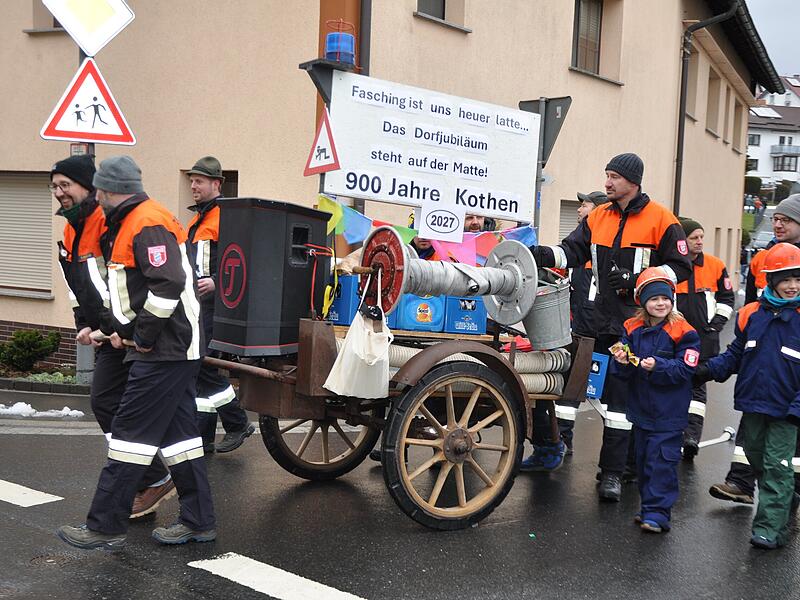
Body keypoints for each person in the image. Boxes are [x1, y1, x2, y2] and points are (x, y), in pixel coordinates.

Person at [57, 155, 216, 549]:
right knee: (180, 438)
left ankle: (104, 524)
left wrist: (142, 337)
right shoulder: (133, 220)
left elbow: (166, 286)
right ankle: (199, 520)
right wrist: (112, 330)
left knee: (130, 434)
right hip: (168, 345)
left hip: (166, 347)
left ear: (109, 190)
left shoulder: (145, 221)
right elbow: (132, 290)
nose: (96, 196)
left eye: (98, 189)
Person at [528, 153, 692, 501]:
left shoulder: (662, 219)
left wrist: (638, 280)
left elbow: (681, 267)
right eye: (606, 175)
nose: (607, 183)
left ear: (633, 181)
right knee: (572, 390)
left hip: (636, 327)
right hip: (595, 321)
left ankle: (613, 475)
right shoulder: (599, 215)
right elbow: (571, 252)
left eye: (614, 177)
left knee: (620, 406)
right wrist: (542, 254)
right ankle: (557, 448)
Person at [51, 155, 176, 519]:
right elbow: (78, 288)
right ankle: (149, 480)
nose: (59, 193)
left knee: (126, 406)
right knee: (109, 403)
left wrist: (116, 328)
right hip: (112, 331)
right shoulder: (71, 230)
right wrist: (83, 324)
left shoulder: (105, 223)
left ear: (90, 187)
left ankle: (151, 483)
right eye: (55, 186)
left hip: (133, 331)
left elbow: (119, 285)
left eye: (65, 185)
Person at [697, 243, 800, 549]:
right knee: (757, 459)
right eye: (785, 279)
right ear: (771, 281)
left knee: (776, 466)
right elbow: (734, 356)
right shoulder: (751, 315)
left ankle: (768, 529)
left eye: (798, 278)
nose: (793, 285)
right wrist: (704, 371)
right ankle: (786, 502)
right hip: (754, 405)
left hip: (788, 411)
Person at [709, 194, 800, 505]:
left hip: (794, 356)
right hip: (763, 347)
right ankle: (741, 482)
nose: (777, 223)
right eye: (776, 218)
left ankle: (789, 497)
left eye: (785, 220)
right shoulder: (765, 257)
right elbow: (752, 302)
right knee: (754, 418)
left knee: (789, 434)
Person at [611, 267, 700, 533]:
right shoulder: (632, 327)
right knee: (643, 462)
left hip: (668, 413)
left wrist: (657, 366)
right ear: (642, 302)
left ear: (672, 300)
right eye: (654, 299)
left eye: (665, 298)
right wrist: (622, 361)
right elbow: (622, 370)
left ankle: (658, 514)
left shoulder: (684, 331)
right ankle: (648, 508)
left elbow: (686, 370)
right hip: (641, 410)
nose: (661, 303)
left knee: (661, 463)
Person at [185, 156, 254, 453]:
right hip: (198, 304)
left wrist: (216, 281)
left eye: (198, 181)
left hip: (217, 305)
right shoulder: (197, 219)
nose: (192, 185)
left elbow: (241, 258)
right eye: (191, 180)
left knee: (203, 365)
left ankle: (238, 423)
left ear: (216, 184)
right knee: (201, 367)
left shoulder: (226, 216)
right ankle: (204, 438)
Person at [674, 218, 734, 460]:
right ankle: (673, 434)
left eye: (701, 237)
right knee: (675, 384)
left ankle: (691, 437)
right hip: (674, 337)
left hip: (704, 339)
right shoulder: (671, 266)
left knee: (697, 389)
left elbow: (727, 299)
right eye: (694, 238)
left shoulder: (715, 265)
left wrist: (715, 326)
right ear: (683, 241)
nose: (699, 242)